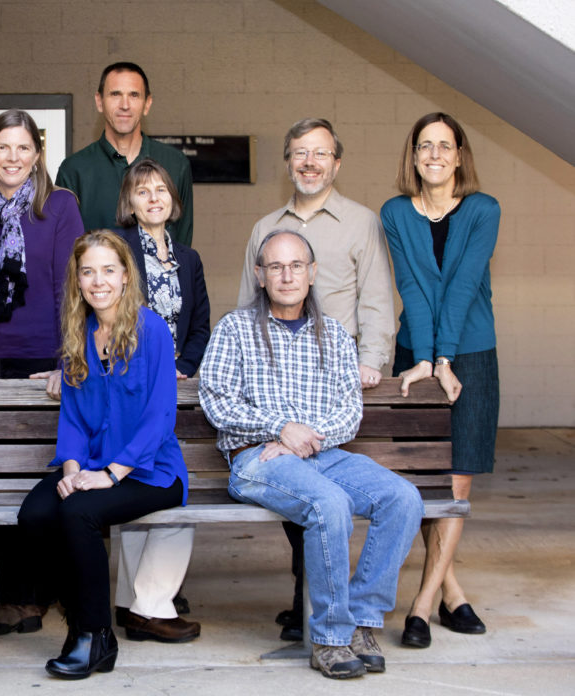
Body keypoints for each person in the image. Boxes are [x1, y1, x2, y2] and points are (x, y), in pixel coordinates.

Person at [199, 229, 423, 680]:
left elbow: (349, 410)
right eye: (276, 267)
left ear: (312, 273)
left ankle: (360, 621)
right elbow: (215, 399)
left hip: (323, 454)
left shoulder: (335, 334)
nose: (287, 276)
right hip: (257, 459)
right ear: (260, 275)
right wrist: (280, 429)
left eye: (296, 266)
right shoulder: (235, 329)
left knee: (403, 498)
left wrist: (304, 439)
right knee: (329, 504)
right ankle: (329, 638)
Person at [237, 117, 395, 641]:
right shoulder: (265, 226)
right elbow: (246, 307)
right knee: (310, 500)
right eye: (300, 153)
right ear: (287, 163)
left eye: (320, 153)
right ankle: (315, 605)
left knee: (339, 497)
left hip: (333, 385)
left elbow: (376, 296)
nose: (310, 162)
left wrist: (371, 359)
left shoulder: (361, 222)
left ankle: (329, 609)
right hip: (274, 393)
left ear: (337, 162)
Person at [19, 230, 189, 680]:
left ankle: (93, 636)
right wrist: (73, 470)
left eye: (108, 270)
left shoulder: (152, 329)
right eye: (88, 272)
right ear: (77, 279)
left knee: (79, 514)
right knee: (35, 514)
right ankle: (80, 618)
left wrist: (110, 475)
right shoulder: (80, 332)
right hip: (93, 463)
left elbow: (159, 417)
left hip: (151, 471)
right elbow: (74, 417)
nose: (98, 281)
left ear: (126, 275)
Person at [0, 108, 84, 637]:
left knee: (40, 475)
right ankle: (15, 597)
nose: (13, 157)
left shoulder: (60, 206)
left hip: (42, 358)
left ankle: (40, 593)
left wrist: (66, 358)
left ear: (37, 155)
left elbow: (71, 286)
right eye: (3, 147)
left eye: (23, 147)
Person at [381, 112, 500, 649]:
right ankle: (453, 593)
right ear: (413, 156)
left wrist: (446, 358)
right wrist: (426, 359)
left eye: (444, 146)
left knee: (455, 484)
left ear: (459, 155)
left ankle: (423, 606)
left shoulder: (483, 209)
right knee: (420, 480)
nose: (434, 154)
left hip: (470, 353)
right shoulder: (395, 212)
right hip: (414, 354)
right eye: (424, 145)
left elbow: (462, 285)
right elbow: (411, 286)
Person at [109, 158, 209, 642]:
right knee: (154, 481)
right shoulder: (118, 249)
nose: (153, 198)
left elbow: (201, 324)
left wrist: (183, 364)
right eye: (142, 191)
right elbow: (101, 312)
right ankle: (145, 604)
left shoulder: (189, 259)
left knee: (158, 481)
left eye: (161, 190)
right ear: (129, 203)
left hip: (174, 386)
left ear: (174, 199)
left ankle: (136, 602)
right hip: (127, 383)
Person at [55, 61, 193, 245]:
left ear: (147, 104)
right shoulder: (74, 170)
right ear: (99, 101)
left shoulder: (175, 164)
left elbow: (182, 245)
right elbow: (65, 249)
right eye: (115, 94)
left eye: (134, 95)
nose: (125, 105)